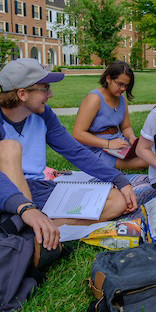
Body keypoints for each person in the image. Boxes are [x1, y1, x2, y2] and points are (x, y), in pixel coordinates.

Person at [0, 58, 139, 252]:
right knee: (9, 148)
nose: (51, 94)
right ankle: (33, 226)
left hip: (40, 188)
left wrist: (119, 179)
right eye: (44, 88)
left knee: (118, 202)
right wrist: (23, 206)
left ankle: (47, 227)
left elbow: (75, 152)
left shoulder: (43, 115)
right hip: (8, 193)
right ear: (22, 94)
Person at [72, 60, 147, 170]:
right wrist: (108, 144)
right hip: (96, 149)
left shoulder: (122, 99)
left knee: (151, 154)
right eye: (119, 84)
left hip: (118, 145)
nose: (123, 89)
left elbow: (126, 127)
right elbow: (77, 134)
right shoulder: (94, 99)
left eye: (126, 86)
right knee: (144, 162)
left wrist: (131, 137)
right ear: (108, 79)